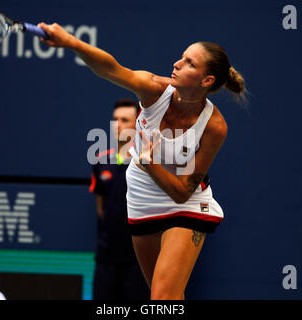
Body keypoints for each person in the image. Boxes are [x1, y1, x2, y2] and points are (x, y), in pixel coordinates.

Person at [38, 22, 246, 300]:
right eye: (181, 57)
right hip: (142, 196)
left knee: (163, 298)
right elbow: (110, 68)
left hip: (187, 201)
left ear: (206, 80)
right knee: (165, 296)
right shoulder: (153, 90)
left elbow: (183, 192)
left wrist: (149, 163)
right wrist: (71, 43)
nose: (176, 63)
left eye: (188, 63)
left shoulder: (215, 126)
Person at [89, 98, 149, 300]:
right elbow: (100, 208)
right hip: (106, 260)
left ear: (137, 123)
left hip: (140, 262)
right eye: (115, 119)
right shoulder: (100, 159)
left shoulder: (148, 161)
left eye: (124, 119)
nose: (118, 125)